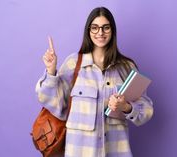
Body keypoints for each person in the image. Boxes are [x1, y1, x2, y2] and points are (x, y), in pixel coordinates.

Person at [36, 6, 153, 157]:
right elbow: (52, 102)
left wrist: (125, 106)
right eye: (95, 28)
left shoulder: (126, 67)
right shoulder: (73, 63)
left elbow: (147, 109)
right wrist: (51, 71)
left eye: (105, 28)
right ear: (88, 31)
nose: (100, 33)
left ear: (112, 31)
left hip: (116, 151)